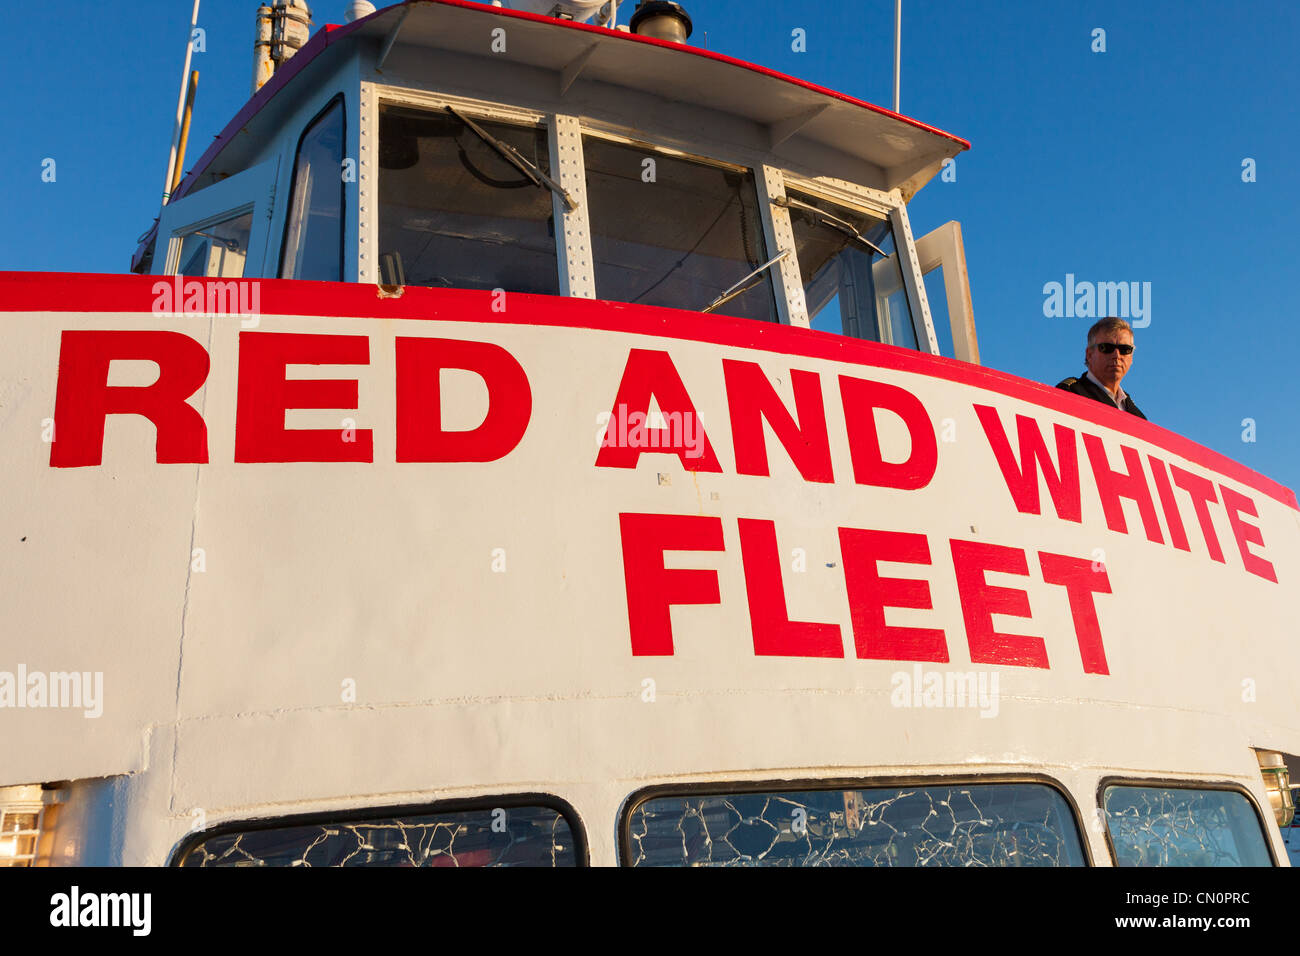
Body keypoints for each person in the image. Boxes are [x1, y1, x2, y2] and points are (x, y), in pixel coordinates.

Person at [1056, 317, 1147, 419]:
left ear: (1132, 357)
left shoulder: (1138, 416)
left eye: (1125, 349)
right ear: (1089, 354)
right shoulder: (1070, 393)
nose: (1117, 355)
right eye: (1107, 348)